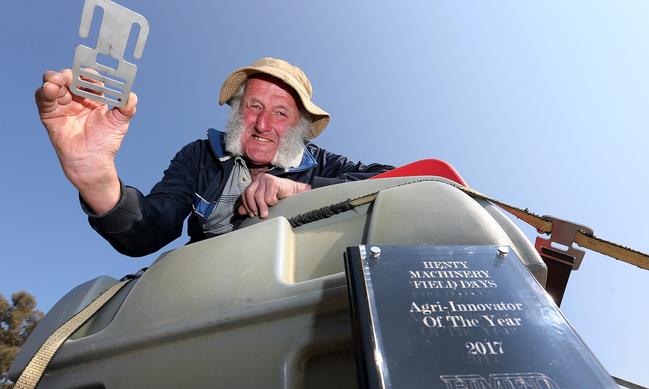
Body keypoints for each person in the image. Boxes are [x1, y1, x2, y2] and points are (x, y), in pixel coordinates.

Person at [35, 57, 393, 257]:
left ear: (300, 126)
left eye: (281, 113)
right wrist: (96, 177)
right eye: (254, 106)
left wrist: (303, 190)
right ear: (238, 111)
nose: (263, 124)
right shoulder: (200, 156)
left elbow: (401, 180)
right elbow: (147, 233)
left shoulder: (323, 163)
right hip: (206, 286)